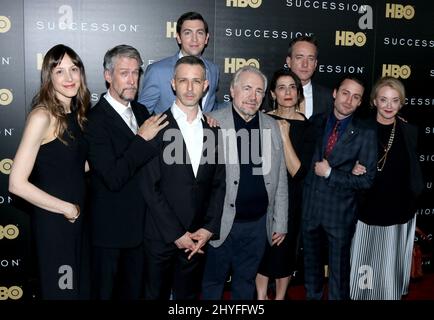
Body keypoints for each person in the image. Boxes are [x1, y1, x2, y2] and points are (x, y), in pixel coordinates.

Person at [85, 45, 168, 299]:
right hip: (109, 234)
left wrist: (207, 118)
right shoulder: (94, 119)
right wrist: (141, 140)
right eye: (124, 73)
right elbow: (113, 177)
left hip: (142, 232)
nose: (132, 80)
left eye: (136, 73)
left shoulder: (142, 112)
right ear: (108, 76)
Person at [139, 56, 226, 300]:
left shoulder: (213, 130)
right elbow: (149, 186)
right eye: (183, 81)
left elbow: (218, 185)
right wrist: (176, 234)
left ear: (205, 85)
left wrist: (209, 228)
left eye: (196, 81)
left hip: (197, 238)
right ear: (173, 84)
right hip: (161, 237)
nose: (190, 88)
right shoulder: (156, 127)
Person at [9, 44, 90, 299]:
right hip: (56, 224)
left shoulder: (76, 113)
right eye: (59, 71)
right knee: (61, 293)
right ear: (49, 77)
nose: (68, 78)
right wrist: (67, 208)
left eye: (73, 69)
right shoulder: (42, 117)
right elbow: (16, 184)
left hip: (78, 221)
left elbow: (73, 164)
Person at [201, 66, 288, 300]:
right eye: (247, 88)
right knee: (212, 284)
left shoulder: (271, 126)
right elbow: (201, 181)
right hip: (219, 225)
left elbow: (279, 178)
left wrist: (280, 220)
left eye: (259, 91)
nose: (253, 96)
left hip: (258, 226)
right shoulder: (212, 123)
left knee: (246, 283)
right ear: (232, 90)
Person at [302, 75, 377, 300]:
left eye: (356, 97)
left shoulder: (366, 134)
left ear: (360, 102)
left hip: (340, 215)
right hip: (310, 211)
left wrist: (332, 174)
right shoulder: (314, 122)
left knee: (338, 277)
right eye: (345, 93)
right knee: (311, 273)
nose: (348, 100)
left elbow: (366, 181)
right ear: (335, 93)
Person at [349, 76, 424, 300]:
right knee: (366, 260)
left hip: (400, 209)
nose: (389, 106)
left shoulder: (409, 131)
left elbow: (413, 169)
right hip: (367, 209)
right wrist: (352, 167)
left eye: (394, 100)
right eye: (384, 100)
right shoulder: (360, 128)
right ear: (374, 101)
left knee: (391, 264)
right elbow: (344, 161)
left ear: (401, 103)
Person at [256, 68, 314, 300]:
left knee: (284, 251)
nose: (287, 92)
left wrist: (284, 136)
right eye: (281, 87)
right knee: (262, 250)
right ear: (272, 93)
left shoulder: (307, 126)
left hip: (292, 199)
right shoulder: (261, 119)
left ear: (299, 93)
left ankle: (280, 297)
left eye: (292, 87)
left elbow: (298, 171)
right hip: (262, 195)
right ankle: (260, 296)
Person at [138, 11, 220, 114]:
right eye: (187, 33)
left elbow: (212, 106)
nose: (194, 39)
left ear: (206, 38)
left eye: (199, 33)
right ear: (179, 38)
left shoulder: (213, 69)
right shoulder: (157, 71)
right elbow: (142, 113)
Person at [286, 35, 333, 118]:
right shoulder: (272, 95)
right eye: (299, 57)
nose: (305, 64)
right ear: (289, 61)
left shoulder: (329, 98)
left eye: (310, 59)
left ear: (315, 64)